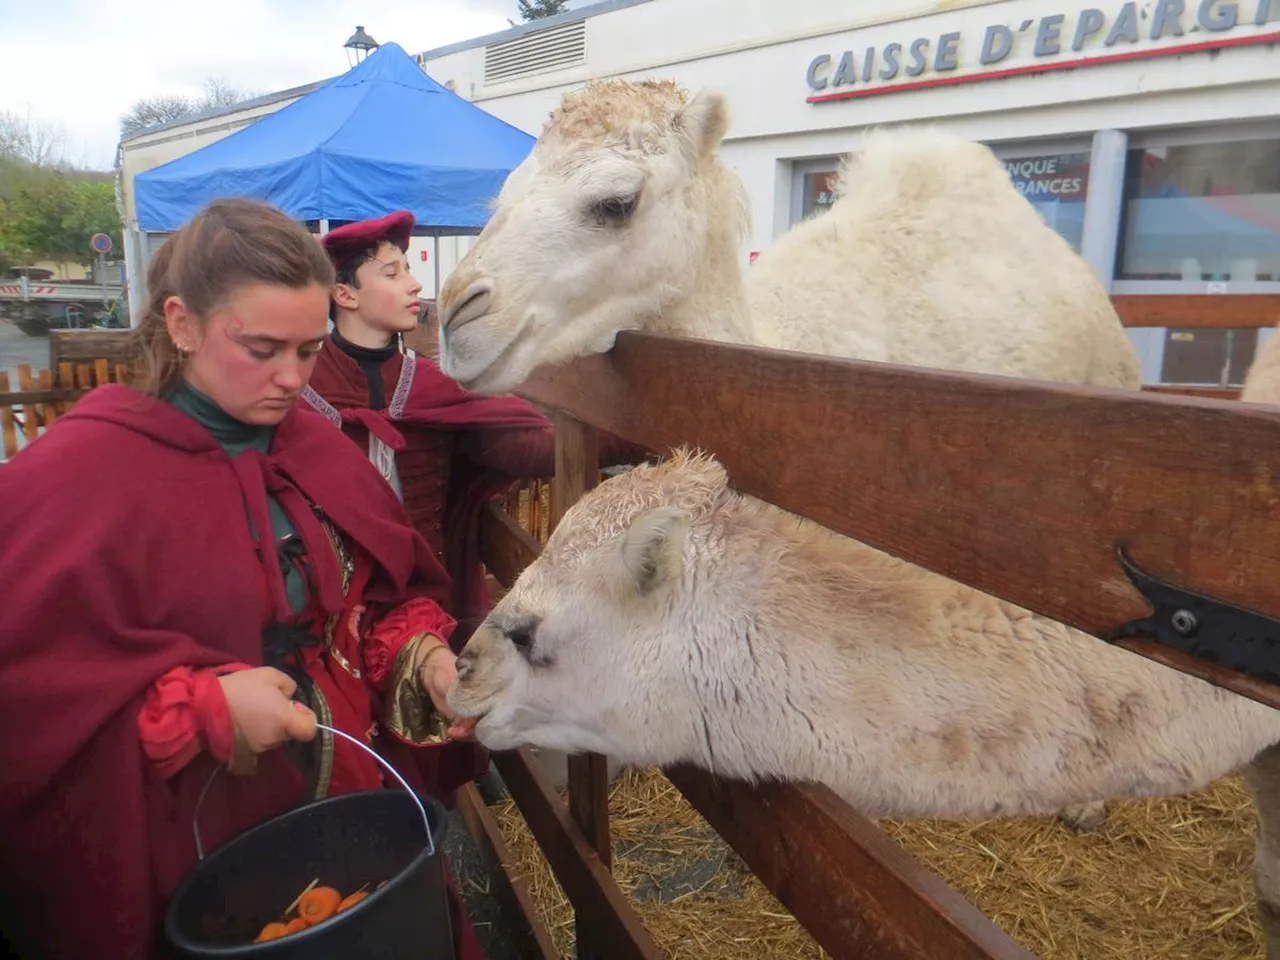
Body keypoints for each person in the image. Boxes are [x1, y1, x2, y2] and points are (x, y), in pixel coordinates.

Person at [0, 198, 485, 960]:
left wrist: (424, 659)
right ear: (183, 324)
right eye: (261, 349)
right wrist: (197, 706)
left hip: (352, 804)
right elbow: (29, 690)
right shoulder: (75, 474)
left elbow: (374, 602)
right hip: (194, 840)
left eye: (308, 348)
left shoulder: (313, 448)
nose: (292, 378)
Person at [307, 209, 648, 647]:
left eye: (409, 270)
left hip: (424, 603)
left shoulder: (435, 385)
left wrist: (635, 439)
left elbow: (522, 447)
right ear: (345, 294)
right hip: (328, 605)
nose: (414, 284)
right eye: (392, 274)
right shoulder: (299, 387)